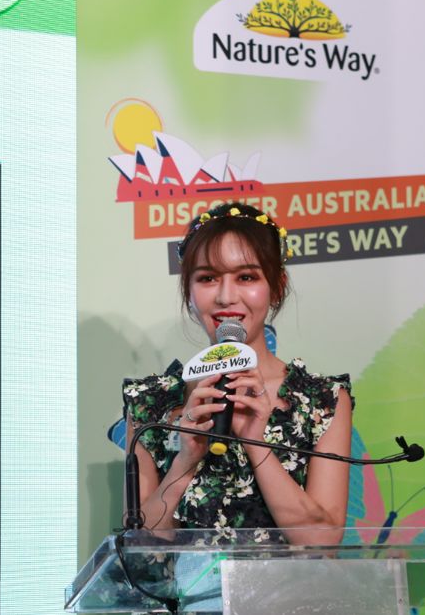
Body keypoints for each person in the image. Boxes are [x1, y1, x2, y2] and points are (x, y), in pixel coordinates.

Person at [123, 202, 353, 545]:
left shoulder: (322, 400)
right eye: (207, 278)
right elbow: (139, 544)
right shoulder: (150, 404)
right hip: (181, 583)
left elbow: (323, 544)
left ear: (276, 285)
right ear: (189, 290)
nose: (226, 296)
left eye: (246, 277)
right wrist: (186, 460)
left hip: (287, 583)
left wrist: (255, 443)